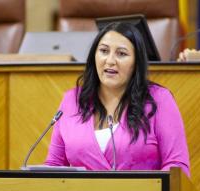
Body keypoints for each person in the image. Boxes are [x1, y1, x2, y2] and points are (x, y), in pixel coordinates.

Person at [45, 22, 190, 176]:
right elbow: (54, 165)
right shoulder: (72, 100)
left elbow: (177, 166)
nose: (110, 60)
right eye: (104, 51)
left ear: (136, 62)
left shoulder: (159, 99)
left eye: (121, 54)